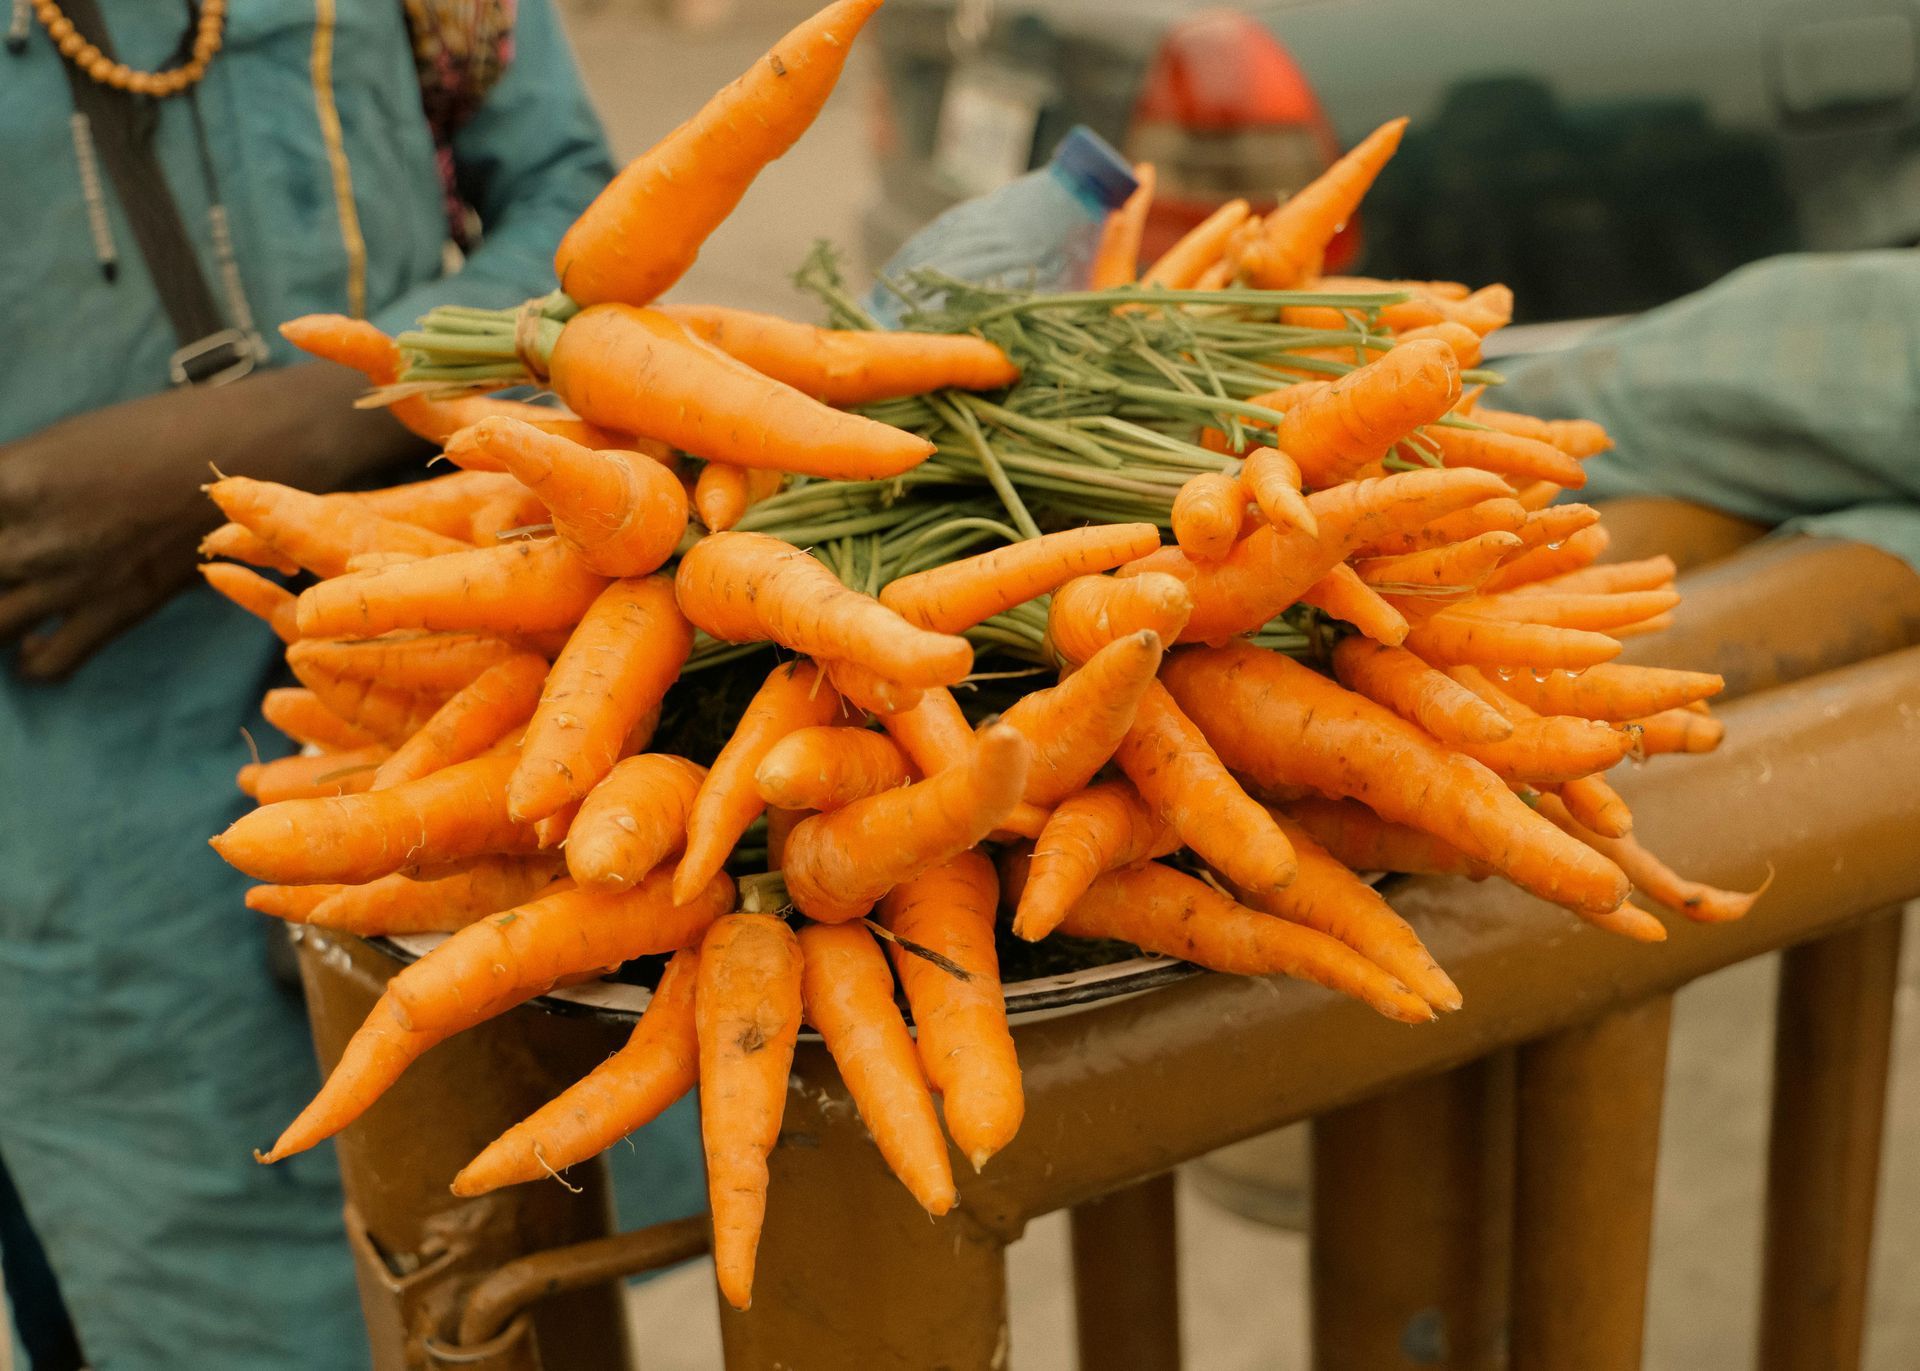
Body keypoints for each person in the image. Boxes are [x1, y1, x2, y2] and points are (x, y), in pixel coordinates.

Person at [0, 3, 614, 1366]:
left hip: (455, 739)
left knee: (499, 1285)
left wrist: (314, 416)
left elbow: (581, 221)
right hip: (81, 887)